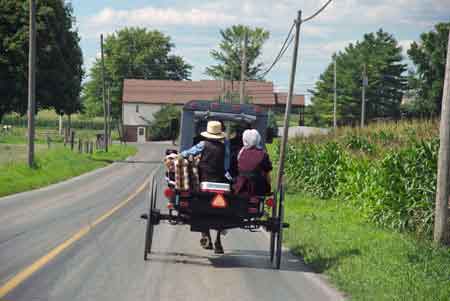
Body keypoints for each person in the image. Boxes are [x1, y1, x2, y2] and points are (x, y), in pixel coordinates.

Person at [180, 120, 226, 253]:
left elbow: (186, 153)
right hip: (220, 181)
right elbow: (227, 166)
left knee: (200, 207)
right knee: (223, 212)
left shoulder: (202, 144)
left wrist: (181, 155)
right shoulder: (224, 147)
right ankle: (218, 241)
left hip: (204, 180)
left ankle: (205, 235)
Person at [233, 129, 272, 196]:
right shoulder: (263, 154)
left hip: (241, 187)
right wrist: (268, 187)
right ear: (258, 139)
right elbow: (267, 174)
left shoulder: (240, 153)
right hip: (258, 188)